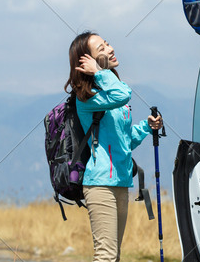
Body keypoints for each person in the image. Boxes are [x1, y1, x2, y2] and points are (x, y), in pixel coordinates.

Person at [64, 31, 163, 262]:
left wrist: (147, 127)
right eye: (102, 49)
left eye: (107, 43)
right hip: (100, 184)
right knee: (106, 256)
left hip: (120, 182)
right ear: (87, 62)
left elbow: (124, 141)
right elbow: (123, 94)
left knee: (114, 256)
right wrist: (100, 73)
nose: (110, 49)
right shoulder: (88, 98)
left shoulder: (109, 95)